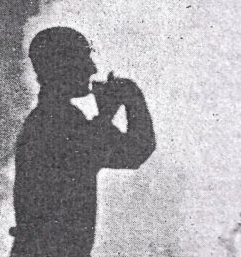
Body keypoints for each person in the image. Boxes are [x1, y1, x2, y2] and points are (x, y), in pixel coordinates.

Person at [9, 27, 156, 257]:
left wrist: (110, 112)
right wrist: (129, 100)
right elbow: (135, 152)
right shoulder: (56, 121)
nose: (92, 68)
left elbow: (130, 151)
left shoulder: (56, 117)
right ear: (61, 66)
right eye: (83, 59)